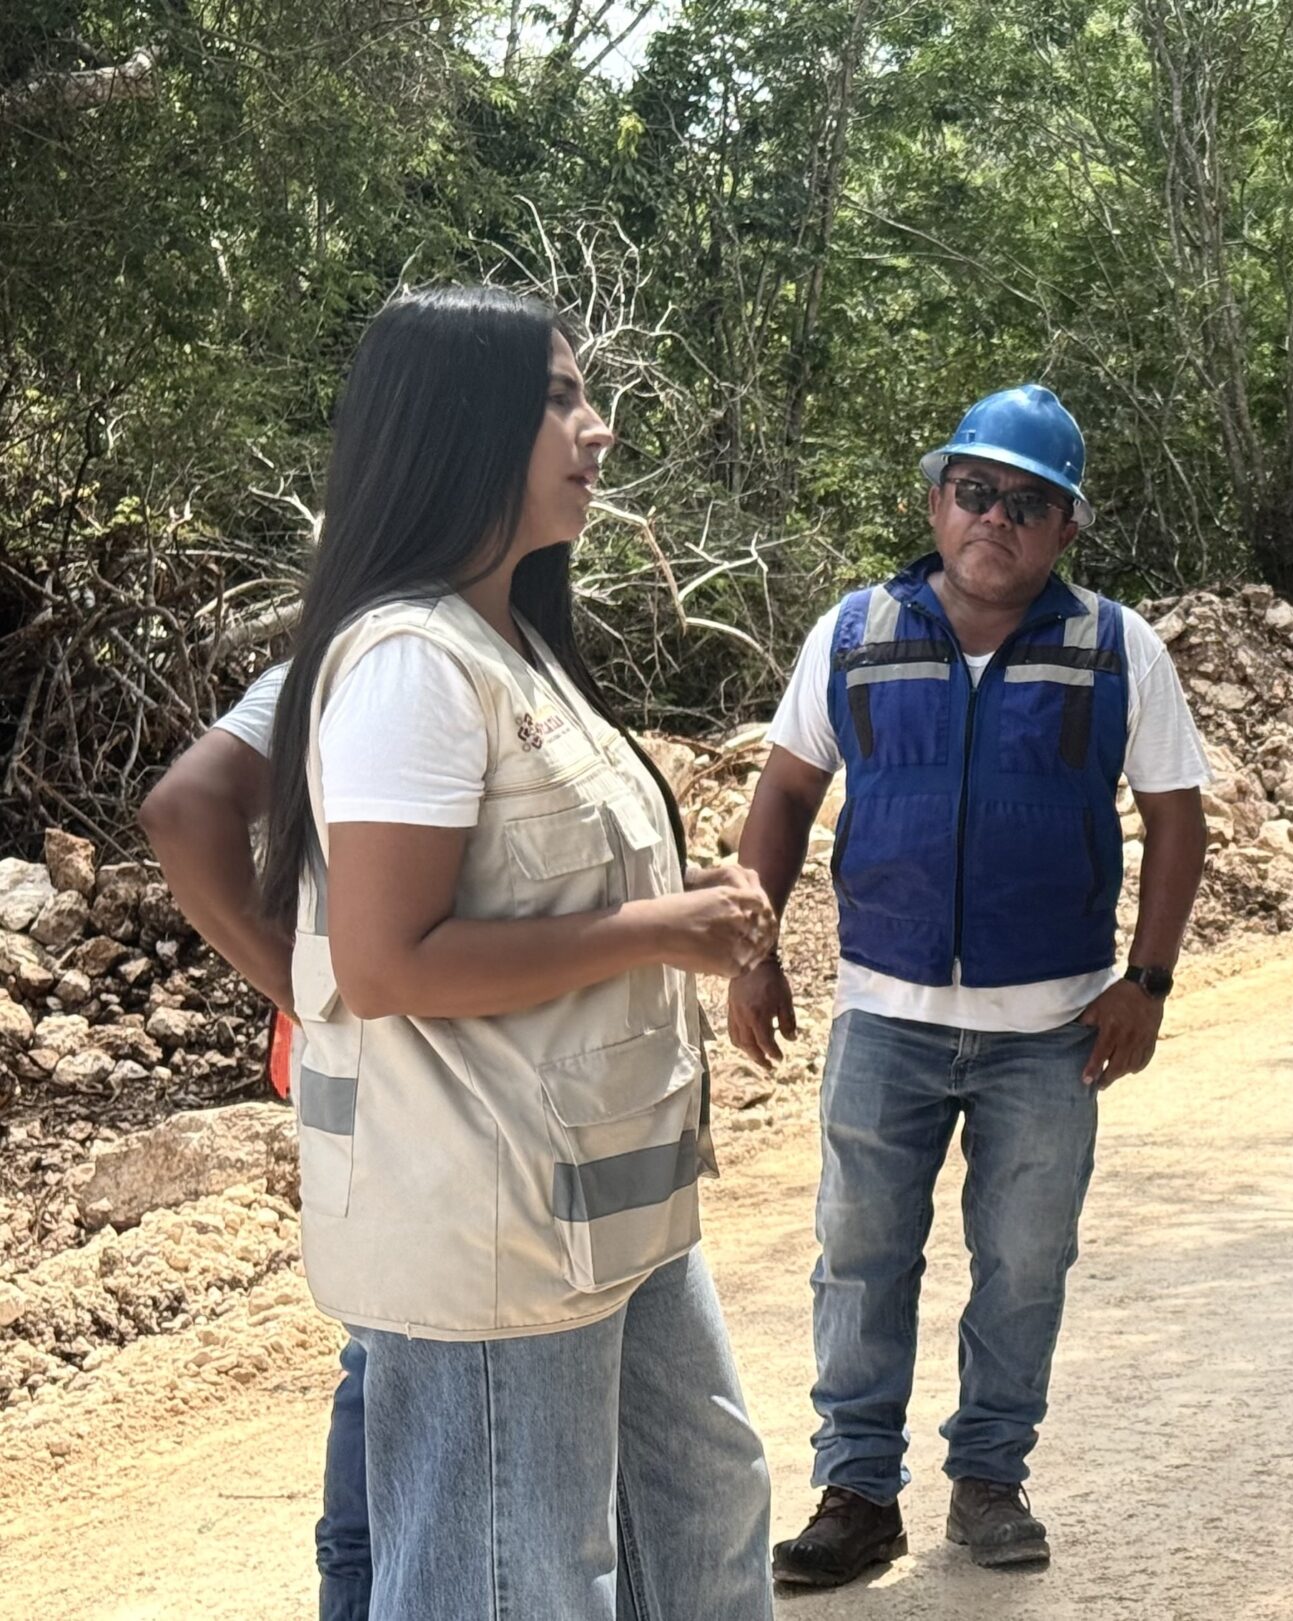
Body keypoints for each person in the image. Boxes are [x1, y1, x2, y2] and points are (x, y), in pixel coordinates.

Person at [252, 283, 780, 1620]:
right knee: (514, 1580)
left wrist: (677, 895)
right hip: (495, 1238)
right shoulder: (412, 663)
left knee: (702, 1513)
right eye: (558, 398)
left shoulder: (514, 645)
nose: (597, 431)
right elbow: (386, 965)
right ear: (458, 423)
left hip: (605, 1208)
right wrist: (665, 930)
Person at [728, 383, 1210, 1586]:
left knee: (1026, 1258)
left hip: (1050, 1027)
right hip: (883, 1014)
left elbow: (1176, 817)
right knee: (859, 1254)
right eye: (976, 491)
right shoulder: (856, 632)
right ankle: (857, 1491)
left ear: (1067, 530)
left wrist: (1145, 979)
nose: (997, 517)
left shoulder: (1112, 646)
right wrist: (751, 943)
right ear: (937, 500)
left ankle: (990, 1479)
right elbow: (785, 794)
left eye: (1029, 502)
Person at [144, 662, 371, 1620]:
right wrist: (300, 983)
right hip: (384, 1083)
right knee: (393, 1363)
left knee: (384, 1362)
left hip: (364, 1070)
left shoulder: (334, 661)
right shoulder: (341, 670)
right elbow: (183, 808)